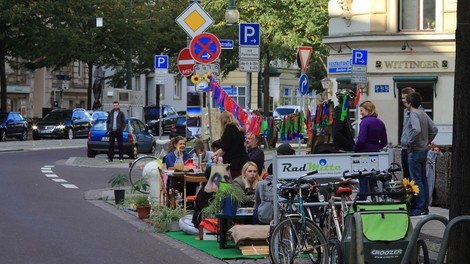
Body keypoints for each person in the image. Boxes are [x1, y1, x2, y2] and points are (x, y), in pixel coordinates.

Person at [403, 92, 438, 216]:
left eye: (406, 101)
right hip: (424, 151)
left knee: (416, 181)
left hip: (415, 151)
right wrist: (427, 141)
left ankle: (420, 208)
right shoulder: (423, 113)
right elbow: (434, 129)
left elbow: (416, 129)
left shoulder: (413, 114)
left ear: (410, 103)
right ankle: (425, 207)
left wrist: (409, 142)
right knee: (423, 180)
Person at [254, 143, 296, 225]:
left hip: (264, 216)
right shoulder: (293, 168)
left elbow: (258, 203)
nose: (277, 156)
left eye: (279, 154)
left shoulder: (261, 184)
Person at [354, 100, 388, 199]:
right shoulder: (380, 123)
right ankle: (375, 199)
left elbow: (361, 139)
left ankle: (362, 200)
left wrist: (355, 148)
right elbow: (384, 142)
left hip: (363, 153)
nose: (360, 113)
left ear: (368, 110)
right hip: (375, 153)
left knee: (363, 179)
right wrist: (376, 147)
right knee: (374, 180)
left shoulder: (364, 122)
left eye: (362, 110)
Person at [212, 111, 249, 179]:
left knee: (233, 183)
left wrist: (215, 156)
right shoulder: (239, 129)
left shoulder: (228, 129)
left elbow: (225, 147)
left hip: (234, 163)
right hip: (242, 160)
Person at [400, 87, 416, 180]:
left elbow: (417, 130)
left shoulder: (416, 111)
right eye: (402, 98)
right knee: (406, 175)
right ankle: (408, 194)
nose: (403, 100)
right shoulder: (405, 111)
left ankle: (414, 194)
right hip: (404, 147)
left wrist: (411, 142)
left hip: (411, 148)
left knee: (413, 176)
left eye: (404, 98)